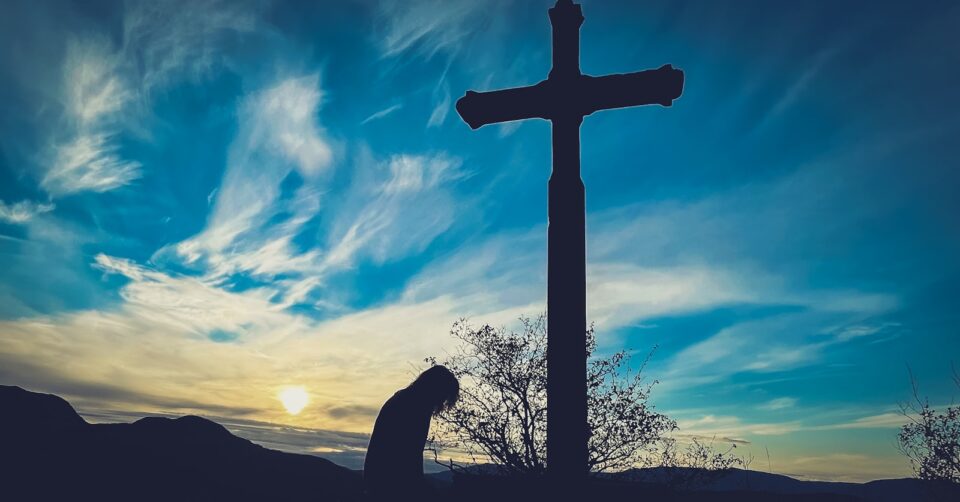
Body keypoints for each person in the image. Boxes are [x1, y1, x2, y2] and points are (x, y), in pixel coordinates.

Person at [363, 365, 459, 500]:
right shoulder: (416, 405)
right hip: (391, 479)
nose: (442, 402)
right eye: (443, 396)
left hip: (380, 476)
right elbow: (410, 452)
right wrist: (418, 485)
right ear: (436, 389)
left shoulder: (406, 399)